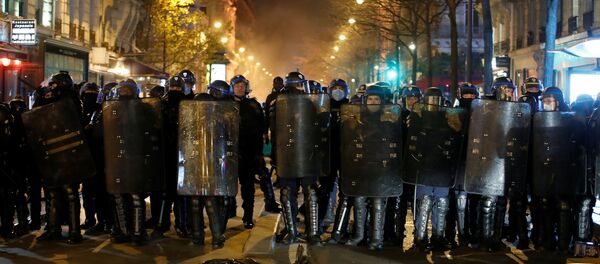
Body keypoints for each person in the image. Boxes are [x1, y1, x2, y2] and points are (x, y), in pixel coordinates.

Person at [343, 83, 402, 251]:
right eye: (370, 99)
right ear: (365, 100)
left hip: (380, 167)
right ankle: (360, 235)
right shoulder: (358, 120)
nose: (373, 102)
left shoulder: (388, 120)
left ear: (382, 101)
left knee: (378, 202)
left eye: (377, 99)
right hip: (361, 166)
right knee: (359, 200)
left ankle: (377, 239)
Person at [274, 71, 328, 245]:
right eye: (296, 85)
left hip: (306, 152)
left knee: (310, 191)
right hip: (288, 153)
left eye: (300, 85)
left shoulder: (308, 103)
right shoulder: (279, 103)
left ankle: (311, 232)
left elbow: (316, 127)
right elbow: (274, 130)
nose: (298, 89)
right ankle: (293, 231)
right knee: (288, 192)